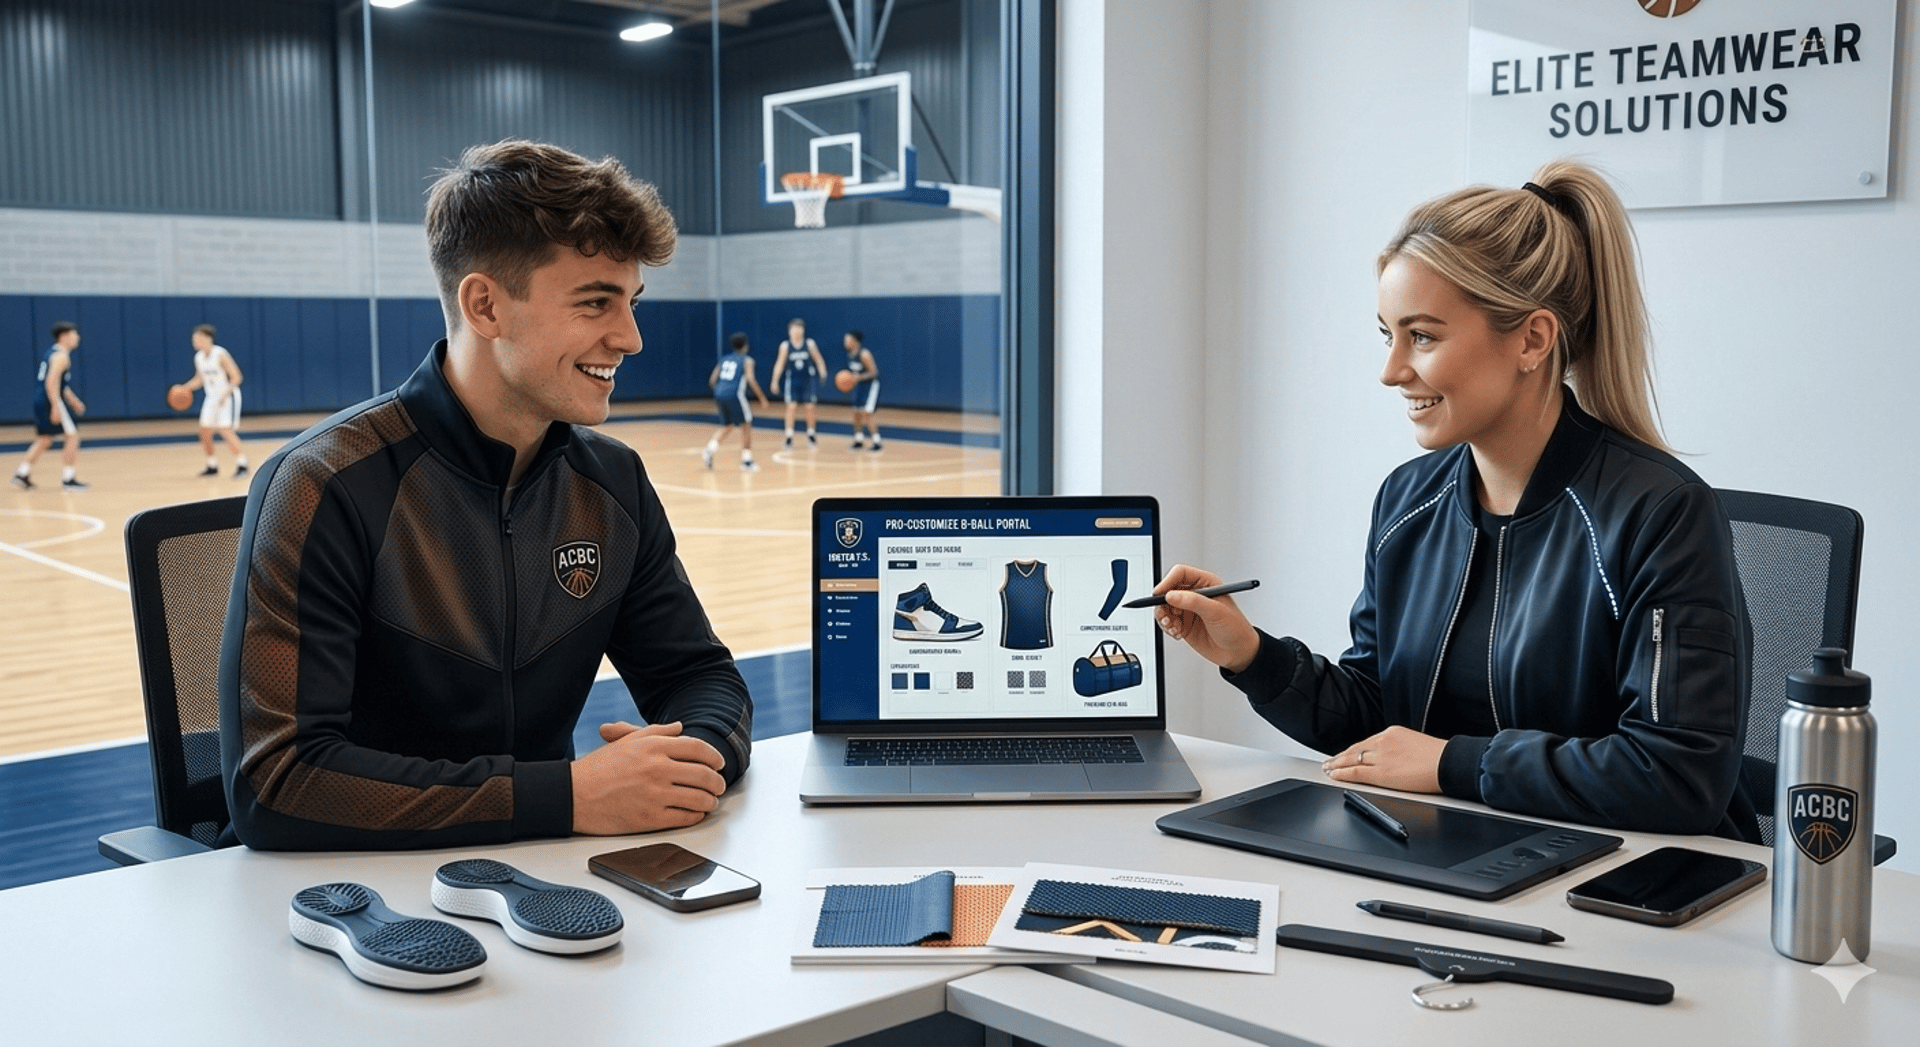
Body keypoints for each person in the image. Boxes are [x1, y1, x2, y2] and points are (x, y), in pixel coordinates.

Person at [1154, 160, 1757, 840]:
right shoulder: (1408, 500)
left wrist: (1452, 764)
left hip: (1630, 876)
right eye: (1388, 335)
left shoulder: (1661, 513)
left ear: (1532, 339)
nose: (1391, 371)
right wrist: (1252, 656)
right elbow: (1379, 718)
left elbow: (1676, 776)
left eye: (1422, 336)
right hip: (1460, 847)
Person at [219, 139, 754, 851]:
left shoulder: (612, 483)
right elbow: (278, 782)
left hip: (544, 873)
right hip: (348, 893)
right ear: (485, 305)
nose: (630, 338)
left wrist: (690, 762)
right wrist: (565, 795)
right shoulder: (325, 484)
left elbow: (700, 676)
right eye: (596, 302)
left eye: (631, 302)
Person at [13, 322, 87, 491]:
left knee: (45, 439)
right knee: (72, 437)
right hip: (49, 400)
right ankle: (69, 479)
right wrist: (55, 406)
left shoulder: (52, 353)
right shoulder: (61, 356)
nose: (77, 338)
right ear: (64, 337)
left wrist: (74, 401)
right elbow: (51, 383)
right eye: (74, 334)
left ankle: (22, 474)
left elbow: (60, 384)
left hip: (41, 399)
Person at [179, 324, 249, 479]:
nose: (194, 341)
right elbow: (200, 379)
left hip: (226, 397)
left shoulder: (220, 354)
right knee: (204, 431)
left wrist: (224, 394)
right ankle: (212, 466)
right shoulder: (199, 357)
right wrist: (185, 388)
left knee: (225, 430)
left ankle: (242, 464)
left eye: (197, 338)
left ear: (207, 338)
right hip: (211, 398)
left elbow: (237, 377)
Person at [702, 332, 769, 472]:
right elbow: (750, 379)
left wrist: (722, 390)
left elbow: (712, 380)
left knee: (728, 425)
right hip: (735, 394)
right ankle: (747, 461)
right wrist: (762, 398)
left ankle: (709, 449)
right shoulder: (747, 360)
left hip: (719, 393)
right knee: (746, 425)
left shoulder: (724, 359)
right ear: (745, 345)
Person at [767, 317, 827, 450]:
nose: (797, 331)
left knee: (810, 407)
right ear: (789, 331)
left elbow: (818, 359)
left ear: (803, 330)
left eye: (799, 329)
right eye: (794, 329)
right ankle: (789, 436)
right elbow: (779, 364)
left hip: (808, 380)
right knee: (791, 407)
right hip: (793, 380)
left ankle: (811, 434)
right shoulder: (785, 346)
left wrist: (822, 371)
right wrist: (774, 380)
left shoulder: (809, 344)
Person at [843, 329, 882, 452]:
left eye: (847, 340)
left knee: (867, 414)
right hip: (859, 387)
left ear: (855, 341)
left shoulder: (864, 354)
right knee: (857, 413)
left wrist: (858, 377)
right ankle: (858, 440)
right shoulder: (850, 354)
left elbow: (874, 372)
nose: (845, 342)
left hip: (870, 386)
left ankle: (877, 442)